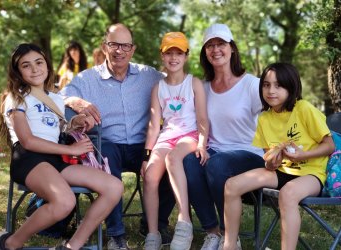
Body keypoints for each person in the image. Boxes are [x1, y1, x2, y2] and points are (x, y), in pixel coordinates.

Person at [0, 43, 123, 250]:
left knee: (114, 187)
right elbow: (28, 140)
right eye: (26, 65)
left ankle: (72, 246)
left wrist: (77, 122)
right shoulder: (15, 98)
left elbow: (58, 128)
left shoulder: (54, 98)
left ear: (47, 65)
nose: (35, 69)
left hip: (55, 160)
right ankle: (10, 242)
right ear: (17, 72)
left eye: (39, 62)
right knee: (65, 201)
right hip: (29, 159)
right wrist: (72, 150)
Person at [59, 23, 175, 250]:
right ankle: (116, 235)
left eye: (125, 46)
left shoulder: (149, 76)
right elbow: (60, 96)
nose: (119, 51)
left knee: (172, 161)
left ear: (132, 49)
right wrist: (76, 101)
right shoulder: (87, 79)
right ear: (104, 47)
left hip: (143, 147)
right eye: (114, 44)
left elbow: (177, 81)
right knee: (108, 153)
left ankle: (155, 223)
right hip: (107, 144)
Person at [222, 62, 335, 250]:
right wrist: (271, 162)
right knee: (231, 185)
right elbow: (268, 158)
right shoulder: (264, 118)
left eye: (278, 85)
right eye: (266, 85)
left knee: (288, 193)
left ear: (291, 87)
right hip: (282, 171)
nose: (271, 91)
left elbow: (329, 145)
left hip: (311, 174)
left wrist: (303, 155)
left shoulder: (304, 109)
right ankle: (229, 245)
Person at [182, 23, 265, 250]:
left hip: (251, 154)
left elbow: (275, 118)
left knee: (216, 164)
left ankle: (231, 235)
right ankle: (213, 231)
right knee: (190, 161)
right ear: (205, 53)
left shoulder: (252, 85)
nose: (215, 49)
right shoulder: (203, 87)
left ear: (232, 49)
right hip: (216, 151)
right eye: (210, 45)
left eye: (221, 44)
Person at [141, 32, 209, 250]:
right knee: (150, 176)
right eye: (169, 53)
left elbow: (202, 118)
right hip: (166, 137)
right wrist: (147, 155)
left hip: (189, 136)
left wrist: (201, 143)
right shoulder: (158, 88)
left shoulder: (194, 83)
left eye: (178, 53)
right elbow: (154, 125)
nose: (173, 58)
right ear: (162, 56)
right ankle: (153, 234)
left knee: (173, 158)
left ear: (186, 56)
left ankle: (184, 222)